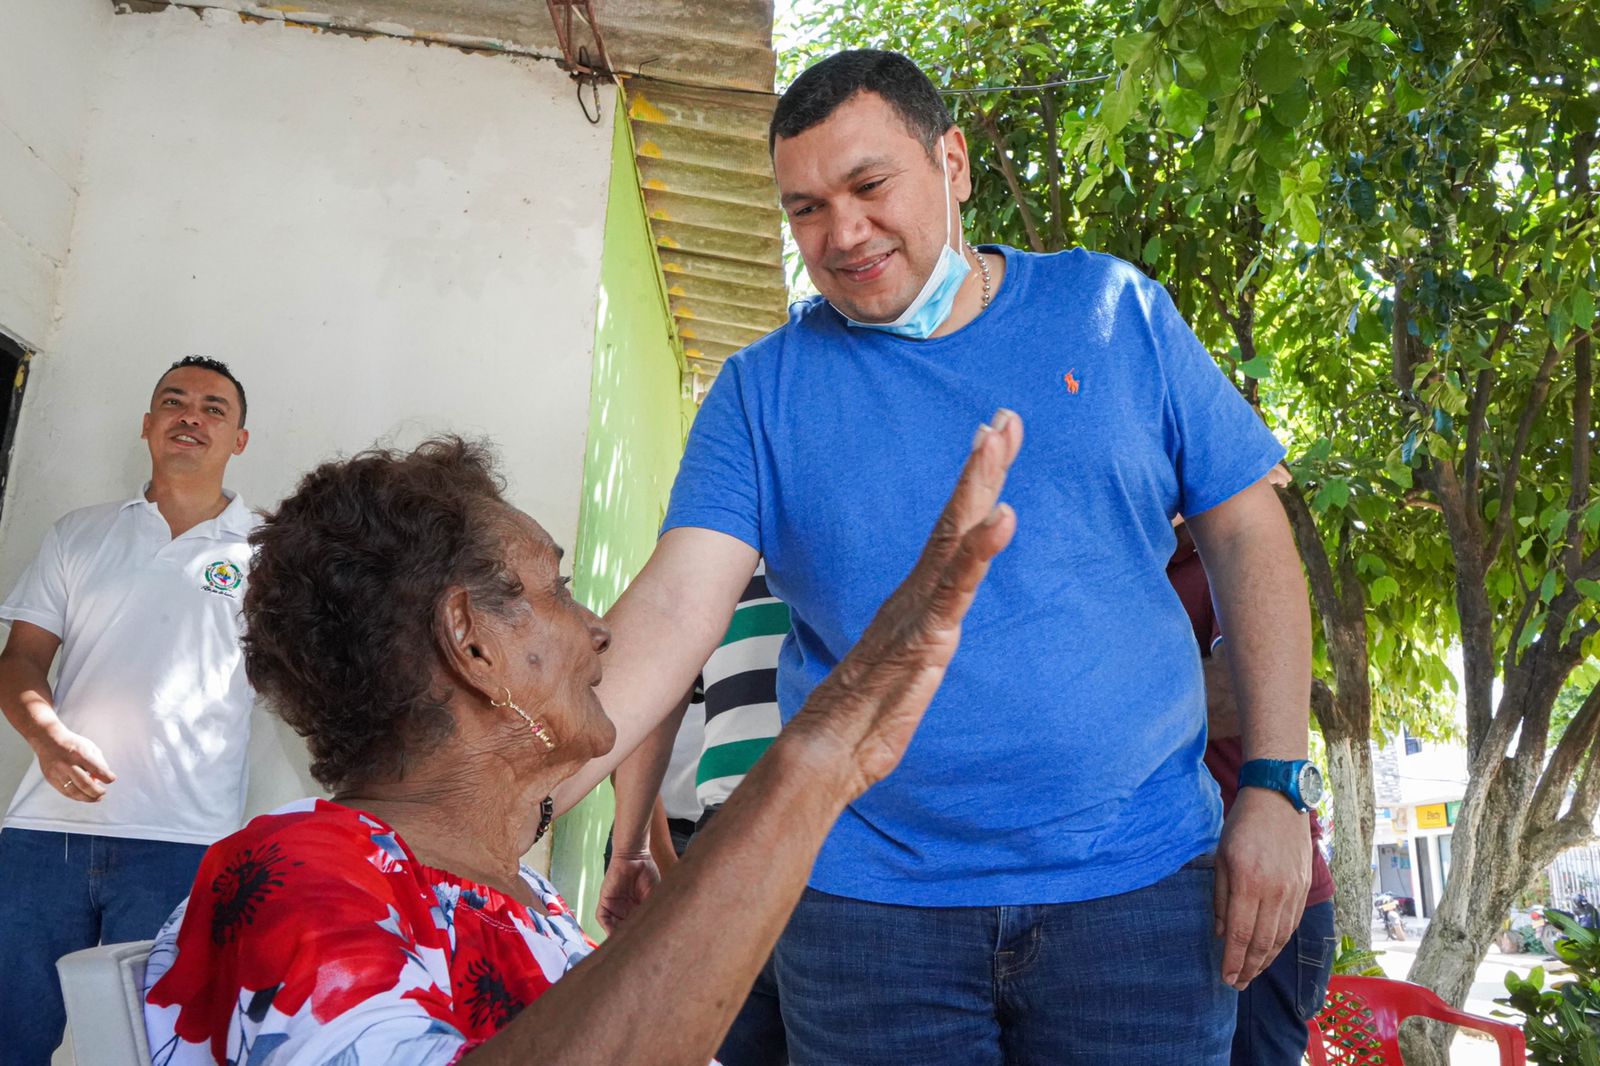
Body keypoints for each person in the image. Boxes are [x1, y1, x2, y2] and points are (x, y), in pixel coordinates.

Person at [555, 48, 1315, 1064]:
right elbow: (672, 611)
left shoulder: (1115, 312)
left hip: (1136, 891)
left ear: (951, 162)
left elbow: (1246, 529)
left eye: (869, 187)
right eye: (806, 209)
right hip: (864, 911)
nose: (843, 234)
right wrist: (510, 792)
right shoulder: (759, 393)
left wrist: (1273, 780)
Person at [141, 427, 1019, 1064]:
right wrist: (812, 763)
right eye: (554, 588)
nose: (598, 629)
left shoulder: (519, 895)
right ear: (472, 642)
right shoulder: (300, 872)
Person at [0, 355, 255, 1065]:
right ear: (148, 425)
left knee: (151, 1053)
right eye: (173, 402)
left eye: (213, 408)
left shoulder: (269, 554)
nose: (191, 416)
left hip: (183, 843)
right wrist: (48, 738)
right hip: (42, 836)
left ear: (239, 439)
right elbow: (20, 660)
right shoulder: (79, 534)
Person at [1169, 496, 1338, 1065]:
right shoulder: (1138, 571)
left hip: (1262, 894)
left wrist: (1116, 703)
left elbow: (1245, 691)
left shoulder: (1224, 555)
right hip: (1194, 892)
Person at [602, 563, 793, 1065]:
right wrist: (636, 848)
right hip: (726, 833)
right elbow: (648, 698)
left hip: (826, 828)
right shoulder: (722, 553)